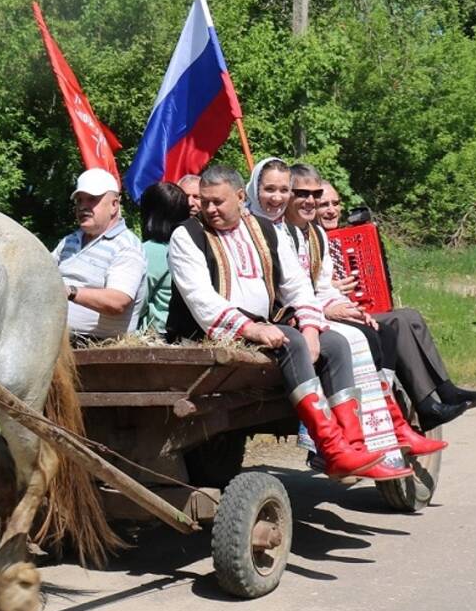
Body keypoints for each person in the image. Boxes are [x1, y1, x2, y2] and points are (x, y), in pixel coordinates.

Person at [165, 164, 402, 482]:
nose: (209, 208)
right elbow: (201, 300)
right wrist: (252, 329)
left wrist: (311, 326)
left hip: (264, 325)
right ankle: (331, 447)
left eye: (217, 201)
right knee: (292, 341)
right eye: (205, 201)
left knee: (336, 343)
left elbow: (297, 284)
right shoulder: (187, 235)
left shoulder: (266, 229)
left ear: (238, 197)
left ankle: (354, 449)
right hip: (210, 332)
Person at [285, 164, 445, 459]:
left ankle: (401, 420)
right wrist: (327, 305)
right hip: (292, 315)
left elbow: (319, 285)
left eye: (319, 196)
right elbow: (291, 286)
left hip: (317, 308)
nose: (319, 205)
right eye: (304, 195)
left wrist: (343, 304)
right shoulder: (281, 233)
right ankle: (343, 443)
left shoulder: (314, 236)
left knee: (383, 326)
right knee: (371, 334)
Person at [315, 180, 476, 429]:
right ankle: (426, 407)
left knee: (410, 315)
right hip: (326, 316)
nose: (331, 210)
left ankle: (447, 390)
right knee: (398, 321)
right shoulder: (307, 239)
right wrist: (331, 290)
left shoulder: (335, 239)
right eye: (323, 204)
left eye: (335, 203)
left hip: (350, 310)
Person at [52, 168, 146, 344]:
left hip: (99, 349)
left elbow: (117, 302)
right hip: (56, 339)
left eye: (92, 199)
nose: (82, 206)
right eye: (79, 200)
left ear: (114, 205)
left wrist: (69, 292)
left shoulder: (127, 246)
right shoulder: (69, 241)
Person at [137, 182, 190, 339]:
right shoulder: (191, 247)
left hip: (153, 338)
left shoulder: (148, 251)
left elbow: (137, 302)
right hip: (184, 335)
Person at [245, 157, 292, 225]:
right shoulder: (240, 227)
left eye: (284, 190)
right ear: (255, 189)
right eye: (270, 189)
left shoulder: (292, 226)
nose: (277, 198)